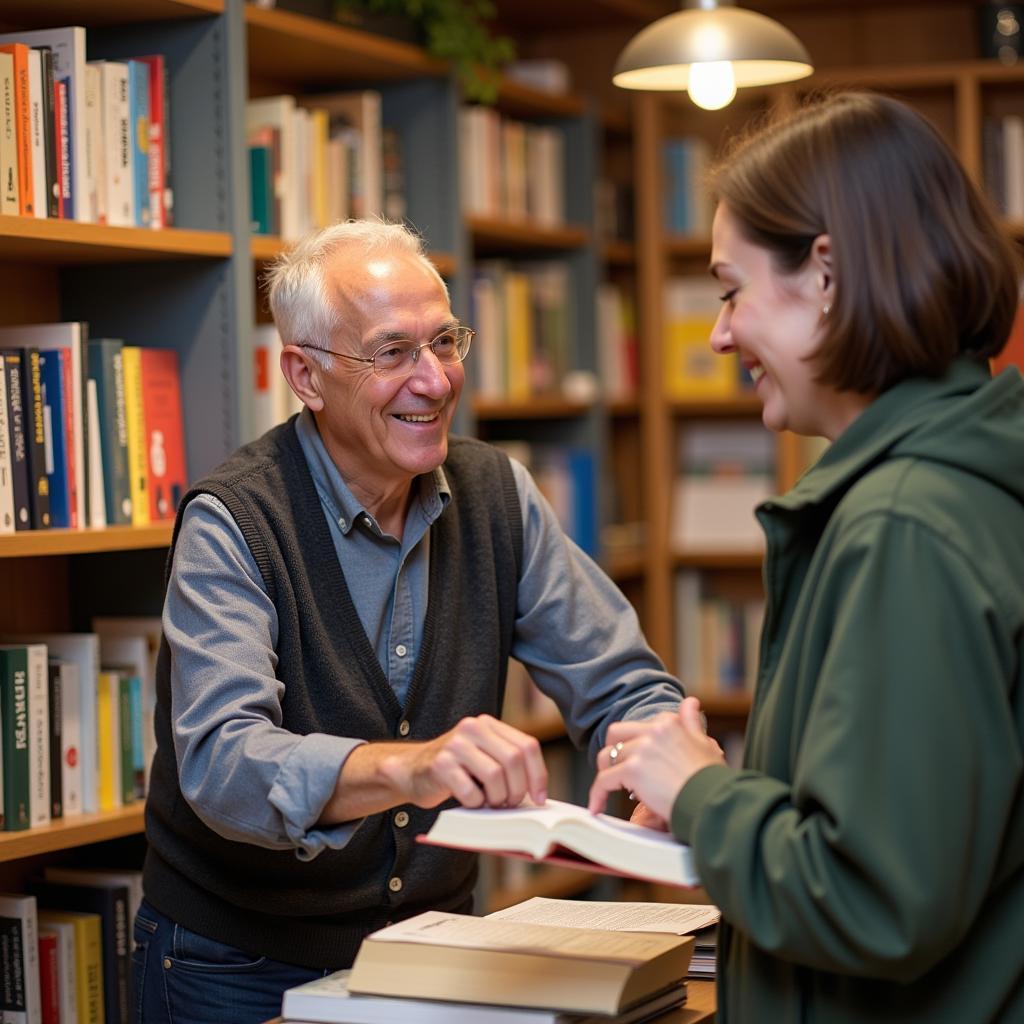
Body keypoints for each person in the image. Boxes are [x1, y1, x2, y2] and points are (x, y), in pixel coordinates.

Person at [134, 218, 684, 1022]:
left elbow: (617, 677)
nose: (434, 381)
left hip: (431, 945)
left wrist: (663, 746)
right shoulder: (234, 520)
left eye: (446, 343)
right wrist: (412, 768)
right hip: (237, 961)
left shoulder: (497, 494)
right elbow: (224, 764)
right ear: (306, 375)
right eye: (393, 353)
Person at [588, 92, 1024, 1023]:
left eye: (729, 289)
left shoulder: (905, 528)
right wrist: (728, 794)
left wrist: (700, 793)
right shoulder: (947, 489)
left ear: (825, 274)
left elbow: (875, 897)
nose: (717, 332)